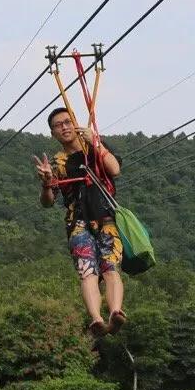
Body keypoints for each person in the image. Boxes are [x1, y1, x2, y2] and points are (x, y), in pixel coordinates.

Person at [34, 107, 125, 346]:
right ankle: (97, 319)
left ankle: (115, 312)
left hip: (106, 217)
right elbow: (47, 202)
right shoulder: (57, 163)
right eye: (58, 125)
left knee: (110, 267)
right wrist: (46, 183)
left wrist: (95, 142)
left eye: (68, 122)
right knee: (87, 272)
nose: (64, 127)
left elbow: (115, 169)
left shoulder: (95, 147)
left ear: (75, 123)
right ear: (53, 133)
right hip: (78, 222)